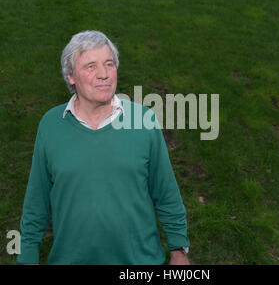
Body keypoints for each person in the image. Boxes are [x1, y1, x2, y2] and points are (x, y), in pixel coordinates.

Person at [16, 30, 190, 265]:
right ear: (71, 77)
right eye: (91, 66)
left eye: (109, 64)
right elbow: (36, 201)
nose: (104, 74)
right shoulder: (50, 124)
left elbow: (166, 192)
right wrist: (27, 256)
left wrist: (179, 250)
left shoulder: (143, 120)